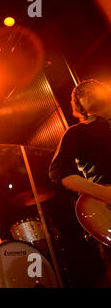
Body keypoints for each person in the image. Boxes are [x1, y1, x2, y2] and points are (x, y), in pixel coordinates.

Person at [49, 79, 111, 287]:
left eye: (95, 87)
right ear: (79, 105)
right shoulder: (77, 133)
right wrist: (104, 194)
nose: (90, 91)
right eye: (82, 93)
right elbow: (58, 171)